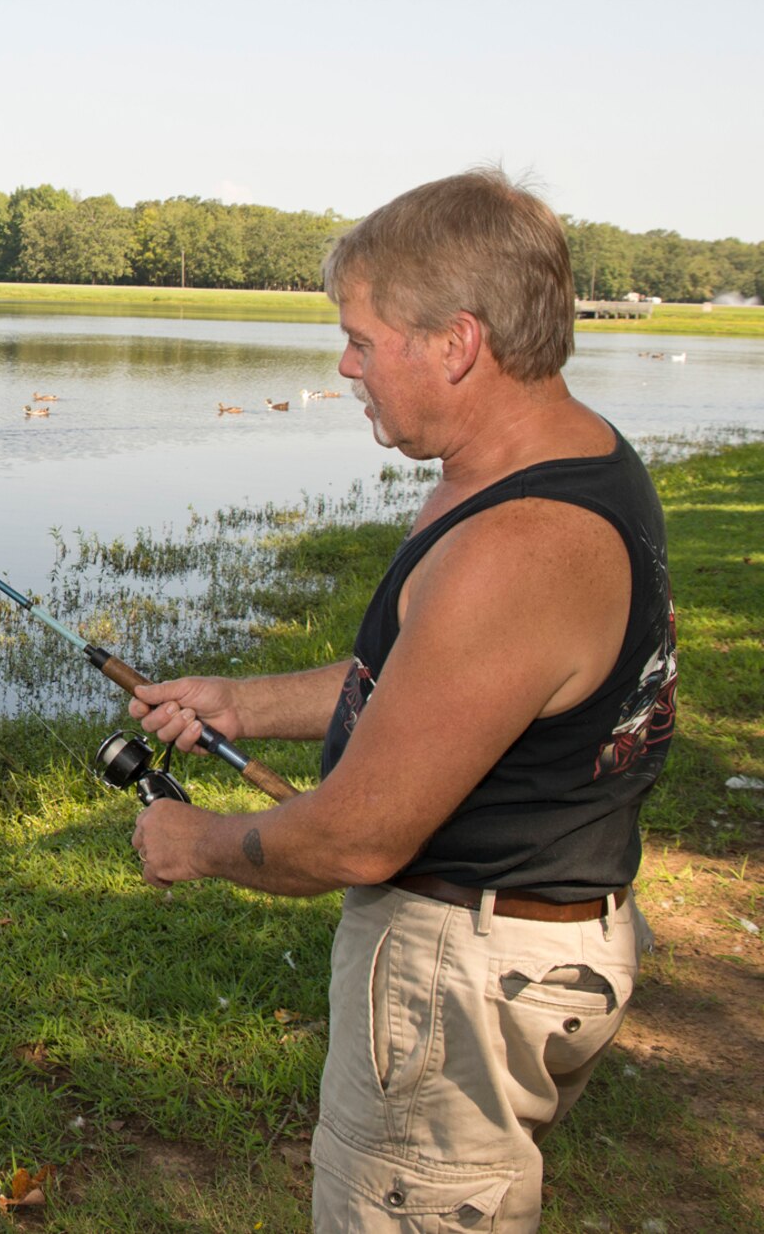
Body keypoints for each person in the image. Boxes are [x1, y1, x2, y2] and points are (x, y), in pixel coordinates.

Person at [127, 168, 675, 1233]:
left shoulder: (515, 547)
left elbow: (359, 838)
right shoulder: (562, 458)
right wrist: (239, 701)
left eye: (361, 337)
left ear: (456, 343)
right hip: (523, 945)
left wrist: (192, 841)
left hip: (460, 982)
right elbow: (433, 684)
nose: (343, 363)